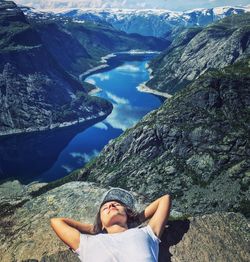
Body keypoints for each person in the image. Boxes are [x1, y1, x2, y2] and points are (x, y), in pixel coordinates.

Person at [50, 187, 172, 261]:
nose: (111, 205)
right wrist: (94, 229)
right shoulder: (87, 243)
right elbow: (56, 221)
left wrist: (135, 220)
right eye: (105, 208)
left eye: (117, 205)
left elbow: (165, 199)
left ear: (127, 214)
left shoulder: (146, 233)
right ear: (101, 221)